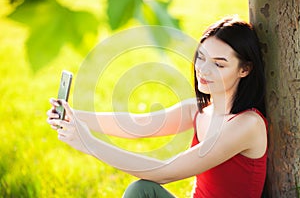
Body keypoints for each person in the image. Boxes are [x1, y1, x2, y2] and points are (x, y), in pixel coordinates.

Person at [47, 16, 268, 198]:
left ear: (245, 69)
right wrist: (74, 116)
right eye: (201, 57)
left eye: (219, 64)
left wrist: (89, 143)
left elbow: (164, 172)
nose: (204, 69)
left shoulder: (248, 124)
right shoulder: (199, 109)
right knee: (141, 191)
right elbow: (136, 125)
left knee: (142, 190)